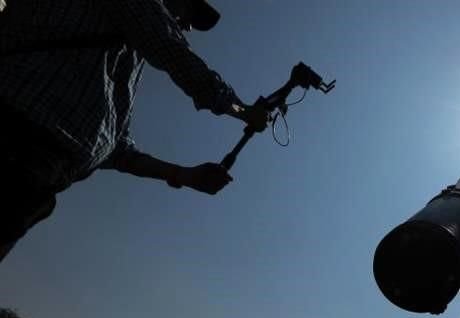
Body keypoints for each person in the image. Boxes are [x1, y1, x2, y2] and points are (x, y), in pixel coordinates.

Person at [0, 0, 268, 260]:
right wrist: (242, 110)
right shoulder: (142, 19)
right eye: (188, 9)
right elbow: (170, 48)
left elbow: (116, 147)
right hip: (16, 141)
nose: (186, 26)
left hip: (37, 176)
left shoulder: (124, 54)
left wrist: (184, 175)